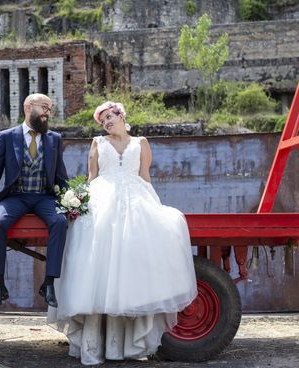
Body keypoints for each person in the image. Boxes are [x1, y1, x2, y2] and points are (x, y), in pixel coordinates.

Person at [48, 101, 198, 365]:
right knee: (97, 265)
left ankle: (126, 345)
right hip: (102, 200)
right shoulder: (98, 143)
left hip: (135, 198)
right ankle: (93, 345)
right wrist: (79, 202)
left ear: (121, 116)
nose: (106, 122)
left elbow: (145, 176)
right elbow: (92, 177)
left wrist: (155, 207)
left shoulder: (141, 142)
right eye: (102, 119)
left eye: (110, 117)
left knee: (132, 263)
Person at [0, 93, 69, 308]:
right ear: (29, 107)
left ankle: (49, 284)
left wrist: (75, 201)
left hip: (44, 197)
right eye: (45, 107)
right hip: (16, 197)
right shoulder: (7, 136)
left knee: (60, 222)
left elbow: (60, 176)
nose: (48, 112)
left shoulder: (54, 138)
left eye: (50, 109)